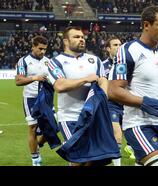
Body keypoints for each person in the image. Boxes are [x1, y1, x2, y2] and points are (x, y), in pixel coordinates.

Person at [108, 6, 158, 166]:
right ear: (146, 25)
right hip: (138, 124)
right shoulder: (128, 50)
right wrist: (148, 104)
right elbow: (114, 90)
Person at [46, 26, 108, 166]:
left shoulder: (94, 60)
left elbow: (103, 79)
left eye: (82, 37)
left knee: (93, 159)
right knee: (78, 159)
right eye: (76, 37)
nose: (81, 39)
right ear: (66, 41)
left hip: (93, 117)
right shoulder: (56, 62)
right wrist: (86, 79)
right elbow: (60, 86)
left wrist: (103, 96)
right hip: (70, 118)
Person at [15, 35, 50, 166]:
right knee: (33, 127)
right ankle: (35, 158)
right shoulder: (23, 61)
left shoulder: (48, 61)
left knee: (52, 128)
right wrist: (35, 78)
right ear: (33, 46)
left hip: (45, 98)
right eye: (40, 49)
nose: (43, 52)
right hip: (30, 98)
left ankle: (39, 144)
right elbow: (18, 81)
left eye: (45, 49)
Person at [103, 37, 125, 165]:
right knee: (117, 134)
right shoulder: (102, 65)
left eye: (120, 45)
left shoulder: (126, 64)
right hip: (111, 105)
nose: (118, 47)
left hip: (128, 104)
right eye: (115, 45)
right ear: (108, 48)